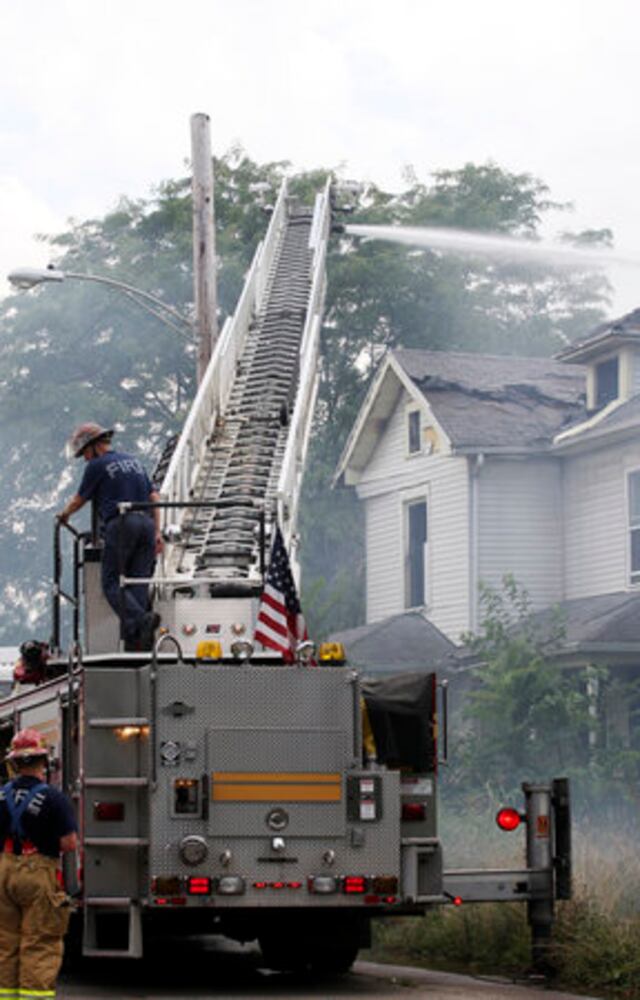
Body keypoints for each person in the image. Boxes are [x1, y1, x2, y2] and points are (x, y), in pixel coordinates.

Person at [57, 422, 163, 651]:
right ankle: (138, 641)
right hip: (146, 525)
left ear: (93, 446)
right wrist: (157, 531)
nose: (85, 458)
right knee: (137, 582)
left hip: (122, 524)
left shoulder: (97, 465)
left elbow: (79, 499)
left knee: (111, 582)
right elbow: (155, 497)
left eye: (85, 453)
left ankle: (141, 621)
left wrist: (64, 515)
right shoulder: (134, 462)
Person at [0, 728, 78, 1000]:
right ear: (44, 760)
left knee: (5, 942)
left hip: (4, 870)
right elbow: (69, 843)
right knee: (40, 942)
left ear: (14, 762)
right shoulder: (54, 798)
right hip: (38, 871)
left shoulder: (1, 795)